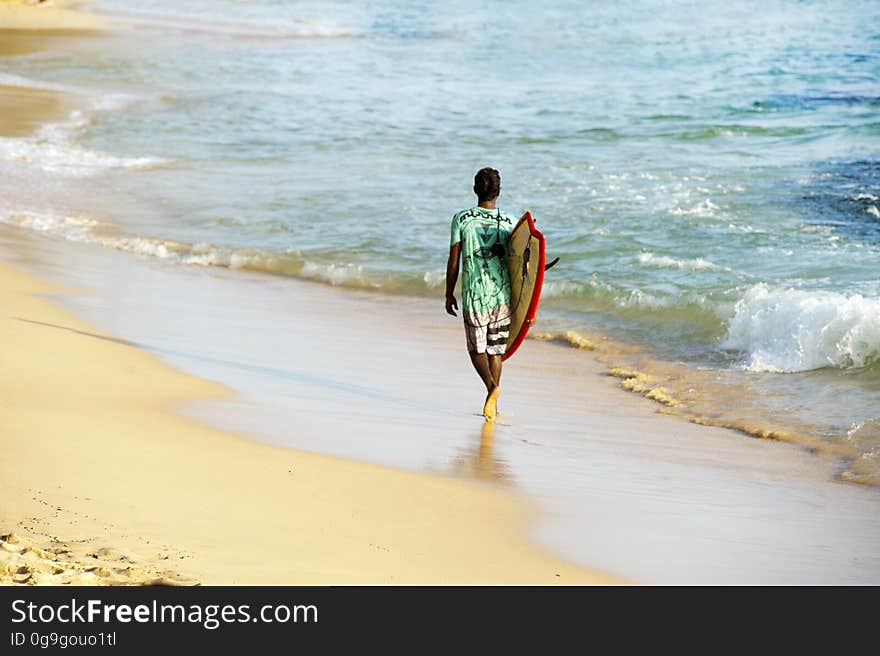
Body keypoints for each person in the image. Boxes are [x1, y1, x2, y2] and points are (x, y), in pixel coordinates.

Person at [445, 167, 515, 422]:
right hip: (502, 295)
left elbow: (454, 261)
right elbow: (520, 266)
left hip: (475, 295)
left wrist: (448, 293)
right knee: (496, 350)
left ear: (475, 189)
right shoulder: (510, 222)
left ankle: (491, 388)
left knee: (476, 349)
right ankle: (493, 407)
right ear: (498, 192)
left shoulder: (462, 219)